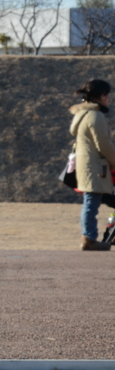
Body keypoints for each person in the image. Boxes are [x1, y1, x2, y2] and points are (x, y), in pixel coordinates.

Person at [69, 79, 115, 251]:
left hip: (87, 164)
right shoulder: (96, 116)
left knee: (91, 201)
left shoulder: (84, 114)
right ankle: (88, 238)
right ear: (99, 97)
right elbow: (104, 145)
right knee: (91, 202)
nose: (109, 98)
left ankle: (89, 237)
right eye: (106, 95)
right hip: (95, 166)